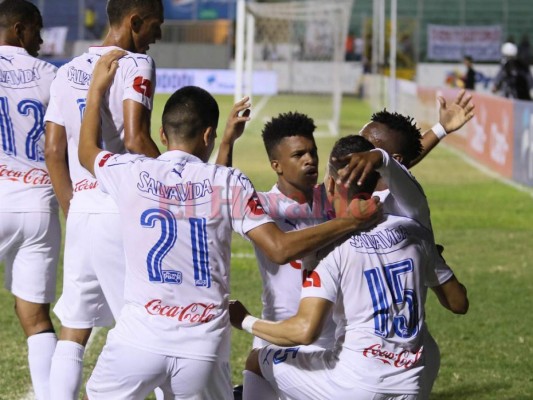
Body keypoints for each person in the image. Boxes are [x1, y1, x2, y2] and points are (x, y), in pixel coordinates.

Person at [74, 50, 380, 398]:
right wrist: (350, 222)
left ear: (162, 132)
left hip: (137, 339)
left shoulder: (129, 171)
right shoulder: (227, 182)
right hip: (201, 347)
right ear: (208, 135)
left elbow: (86, 151)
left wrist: (96, 90)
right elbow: (279, 248)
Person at [230, 134, 469, 400]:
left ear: (329, 184)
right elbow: (458, 303)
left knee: (258, 360)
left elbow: (304, 331)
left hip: (354, 384)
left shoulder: (330, 250)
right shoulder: (416, 232)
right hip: (412, 384)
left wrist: (244, 320)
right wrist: (433, 257)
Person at [43, 1, 164, 398]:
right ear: (134, 22)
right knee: (154, 321)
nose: (157, 36)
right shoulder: (135, 65)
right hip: (121, 208)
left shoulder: (66, 71)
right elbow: (135, 139)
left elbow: (53, 151)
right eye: (155, 26)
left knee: (73, 330)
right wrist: (176, 179)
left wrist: (72, 206)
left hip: (83, 209)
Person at [0, 2, 59, 399]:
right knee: (37, 319)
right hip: (40, 204)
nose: (41, 39)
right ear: (19, 29)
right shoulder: (51, 76)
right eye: (37, 30)